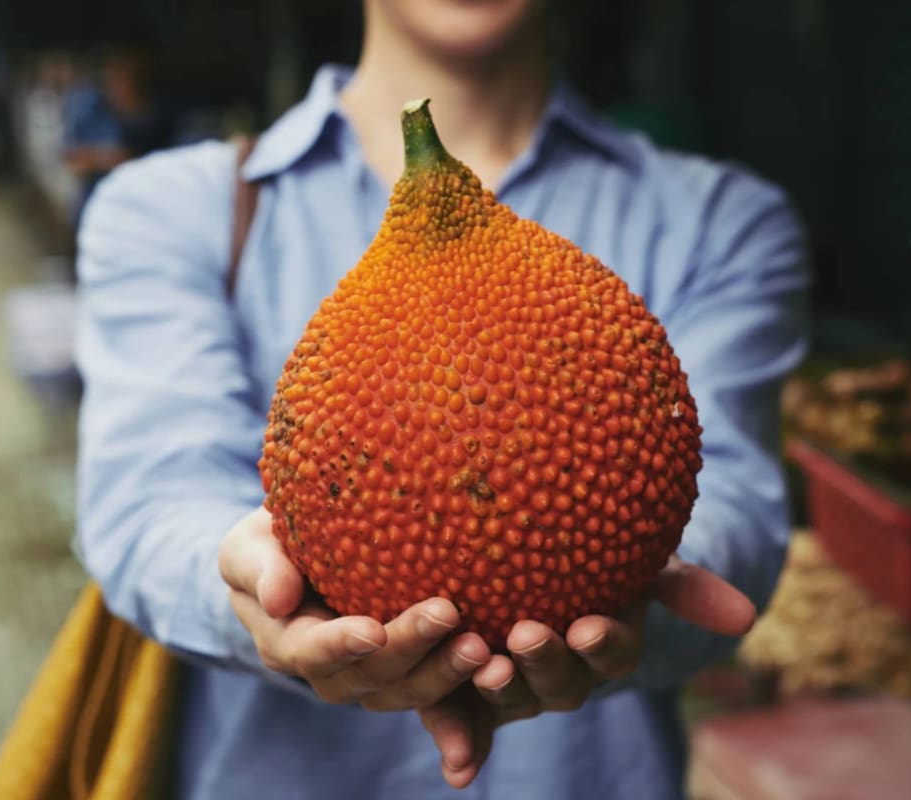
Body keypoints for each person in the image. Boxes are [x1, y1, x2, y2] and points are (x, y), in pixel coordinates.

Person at [74, 1, 810, 797]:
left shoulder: (722, 221)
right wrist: (260, 600)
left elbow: (734, 504)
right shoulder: (168, 206)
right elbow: (150, 504)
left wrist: (650, 599)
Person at [62, 44, 174, 221]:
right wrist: (111, 158)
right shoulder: (91, 109)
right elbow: (73, 159)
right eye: (115, 76)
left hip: (143, 211)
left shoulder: (156, 116)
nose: (122, 84)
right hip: (96, 210)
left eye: (132, 78)